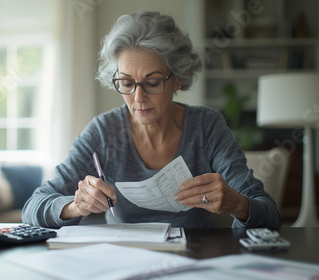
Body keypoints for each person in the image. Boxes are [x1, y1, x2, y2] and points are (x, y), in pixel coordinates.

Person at [22, 10, 282, 229]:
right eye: (126, 83)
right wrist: (74, 206)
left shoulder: (206, 127)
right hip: (125, 262)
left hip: (195, 260)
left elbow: (270, 214)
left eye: (153, 82)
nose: (138, 98)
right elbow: (33, 206)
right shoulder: (104, 132)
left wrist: (238, 203)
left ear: (179, 76)